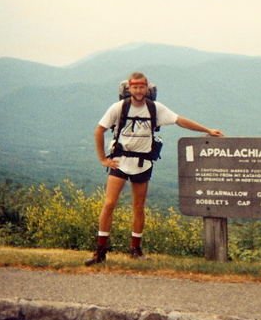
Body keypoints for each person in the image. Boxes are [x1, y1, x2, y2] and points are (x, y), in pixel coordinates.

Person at [85, 72, 224, 265]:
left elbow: (180, 120)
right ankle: (100, 252)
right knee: (109, 204)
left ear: (147, 87)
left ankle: (135, 250)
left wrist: (207, 130)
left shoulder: (155, 108)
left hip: (143, 163)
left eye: (142, 87)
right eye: (135, 87)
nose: (138, 91)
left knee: (139, 207)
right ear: (129, 88)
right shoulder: (119, 108)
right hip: (119, 161)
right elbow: (99, 130)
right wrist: (103, 159)